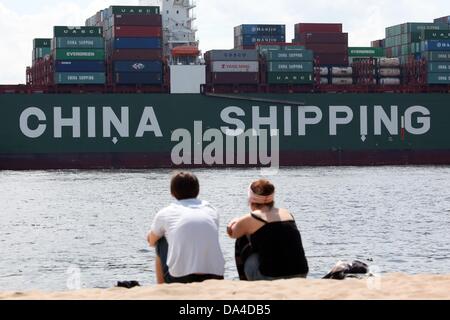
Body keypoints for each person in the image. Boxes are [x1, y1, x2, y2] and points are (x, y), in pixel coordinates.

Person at [147, 172, 225, 284]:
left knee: (159, 240)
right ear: (198, 190)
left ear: (172, 193)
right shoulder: (212, 209)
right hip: (216, 276)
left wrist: (151, 236)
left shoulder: (166, 212)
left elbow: (151, 241)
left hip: (180, 278)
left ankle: (161, 289)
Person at [227, 179, 309, 281]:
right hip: (301, 274)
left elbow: (232, 233)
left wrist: (233, 222)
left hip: (270, 277)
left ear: (251, 199)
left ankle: (245, 282)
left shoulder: (251, 217)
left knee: (241, 239)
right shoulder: (287, 214)